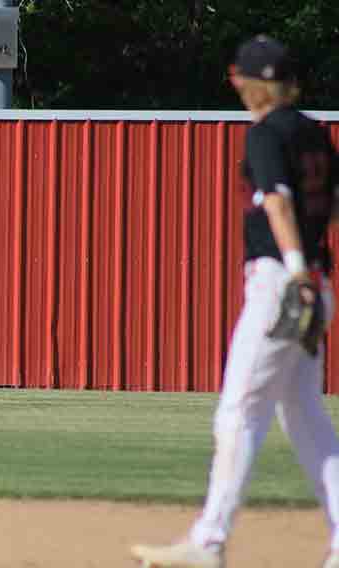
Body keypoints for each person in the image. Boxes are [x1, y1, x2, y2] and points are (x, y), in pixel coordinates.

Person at [131, 35, 339, 568]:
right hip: (316, 279)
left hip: (283, 283)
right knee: (305, 416)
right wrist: (312, 270)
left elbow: (278, 202)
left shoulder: (268, 134)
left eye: (243, 80)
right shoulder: (316, 135)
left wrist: (296, 273)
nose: (239, 88)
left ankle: (210, 540)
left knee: (239, 410)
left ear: (256, 84)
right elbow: (331, 208)